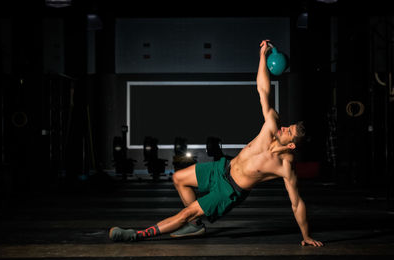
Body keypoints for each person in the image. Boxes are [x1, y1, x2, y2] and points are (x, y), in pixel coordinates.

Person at [109, 40, 324, 247]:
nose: (285, 127)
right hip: (222, 168)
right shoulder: (271, 126)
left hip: (229, 190)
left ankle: (137, 235)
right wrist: (262, 56)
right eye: (289, 126)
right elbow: (263, 90)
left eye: (289, 131)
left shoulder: (285, 166)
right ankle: (195, 226)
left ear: (292, 145)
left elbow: (296, 203)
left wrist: (306, 235)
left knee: (186, 212)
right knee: (178, 179)